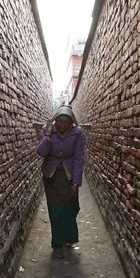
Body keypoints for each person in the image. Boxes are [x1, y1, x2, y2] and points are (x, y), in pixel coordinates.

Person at [35, 105, 86, 259]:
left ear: (71, 122)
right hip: (50, 176)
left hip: (68, 176)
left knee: (69, 208)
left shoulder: (78, 133)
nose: (62, 125)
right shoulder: (48, 130)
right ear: (55, 120)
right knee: (55, 209)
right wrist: (48, 137)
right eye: (59, 121)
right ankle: (57, 244)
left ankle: (69, 238)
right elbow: (41, 152)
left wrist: (76, 183)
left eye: (66, 122)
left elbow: (79, 158)